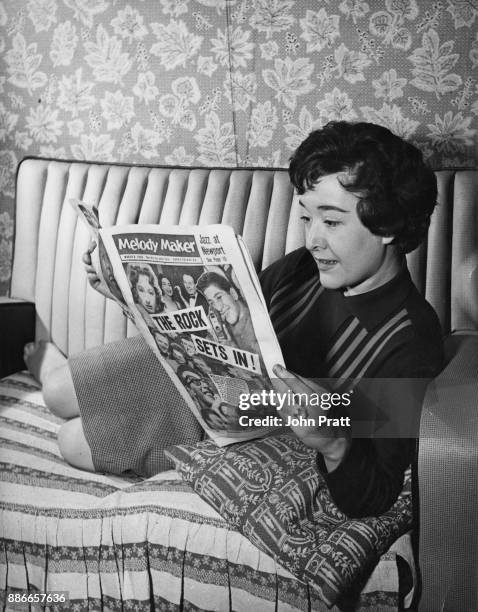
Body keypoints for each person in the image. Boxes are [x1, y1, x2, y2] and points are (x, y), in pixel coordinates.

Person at [24, 121, 443, 518]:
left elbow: (380, 488)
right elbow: (211, 328)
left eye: (331, 221)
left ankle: (61, 372)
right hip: (197, 379)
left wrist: (334, 442)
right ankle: (56, 369)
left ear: (387, 224)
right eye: (305, 217)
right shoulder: (303, 267)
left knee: (71, 442)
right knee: (57, 391)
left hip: (229, 424)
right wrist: (128, 295)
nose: (313, 239)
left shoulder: (411, 341)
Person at [196, 271, 260, 356]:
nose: (218, 307)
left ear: (233, 294)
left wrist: (231, 348)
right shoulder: (222, 323)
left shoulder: (257, 323)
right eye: (212, 302)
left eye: (219, 297)